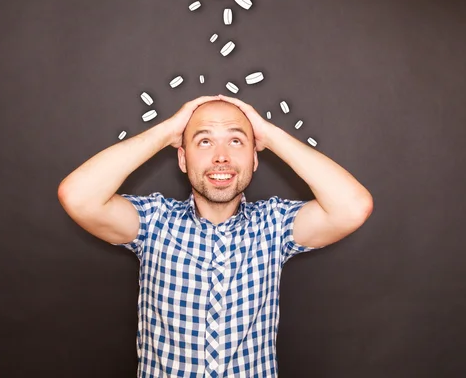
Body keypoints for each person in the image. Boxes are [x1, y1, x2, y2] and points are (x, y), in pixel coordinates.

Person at [58, 94, 373, 378]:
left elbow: (353, 207)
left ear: (254, 158)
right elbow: (77, 196)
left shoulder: (274, 225)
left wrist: (270, 135)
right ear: (182, 158)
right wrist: (167, 131)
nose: (221, 156)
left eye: (236, 142)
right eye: (204, 142)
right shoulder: (153, 221)